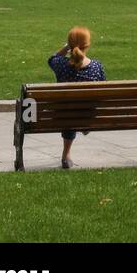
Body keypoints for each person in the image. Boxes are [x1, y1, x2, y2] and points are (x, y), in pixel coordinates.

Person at [47, 27, 107, 169]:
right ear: (88, 45)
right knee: (80, 106)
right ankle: (85, 125)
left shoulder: (60, 65)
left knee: (69, 108)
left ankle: (66, 155)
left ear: (70, 44)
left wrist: (66, 47)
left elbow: (51, 59)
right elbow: (103, 90)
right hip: (88, 114)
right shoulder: (97, 67)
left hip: (64, 115)